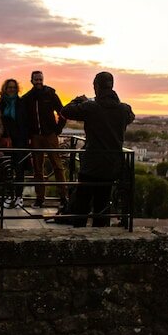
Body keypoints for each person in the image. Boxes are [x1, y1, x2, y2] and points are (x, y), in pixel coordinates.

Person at [60, 71, 135, 228]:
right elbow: (130, 115)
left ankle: (78, 236)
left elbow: (65, 111)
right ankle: (100, 235)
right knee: (102, 204)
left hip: (91, 164)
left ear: (96, 86)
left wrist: (79, 100)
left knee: (82, 202)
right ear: (112, 86)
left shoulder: (91, 107)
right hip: (112, 165)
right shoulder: (123, 109)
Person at [22, 70, 68, 208]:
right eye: (36, 79)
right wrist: (29, 135)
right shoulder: (27, 98)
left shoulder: (51, 94)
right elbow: (24, 119)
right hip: (35, 136)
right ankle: (40, 198)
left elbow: (63, 112)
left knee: (58, 166)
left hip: (50, 135)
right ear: (31, 81)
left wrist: (57, 130)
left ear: (43, 79)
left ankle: (63, 197)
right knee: (37, 169)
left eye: (40, 79)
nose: (38, 82)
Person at [0, 78, 27, 208]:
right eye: (9, 87)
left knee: (19, 169)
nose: (12, 89)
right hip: (5, 140)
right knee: (7, 169)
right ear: (5, 89)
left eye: (14, 87)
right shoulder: (1, 104)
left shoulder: (21, 103)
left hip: (20, 139)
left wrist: (26, 138)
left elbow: (27, 121)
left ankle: (19, 197)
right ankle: (8, 195)